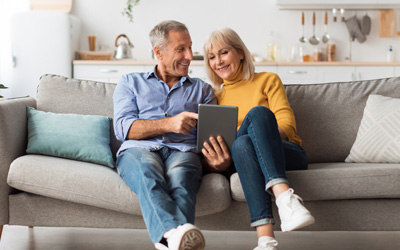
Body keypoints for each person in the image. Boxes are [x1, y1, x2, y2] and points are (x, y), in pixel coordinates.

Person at [202, 28, 315, 250]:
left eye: (223, 53)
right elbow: (220, 143)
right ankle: (266, 240)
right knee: (243, 144)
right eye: (212, 57)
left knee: (259, 114)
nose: (218, 61)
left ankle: (284, 198)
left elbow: (287, 126)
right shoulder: (214, 97)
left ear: (240, 52)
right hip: (242, 157)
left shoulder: (267, 80)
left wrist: (260, 135)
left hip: (285, 151)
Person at [113, 20, 216, 250]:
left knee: (182, 178)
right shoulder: (130, 83)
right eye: (181, 49)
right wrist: (170, 123)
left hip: (183, 151)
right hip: (139, 150)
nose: (190, 56)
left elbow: (212, 140)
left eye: (190, 48)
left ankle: (167, 241)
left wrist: (221, 161)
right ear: (158, 52)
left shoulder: (203, 90)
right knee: (147, 171)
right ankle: (173, 234)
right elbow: (123, 129)